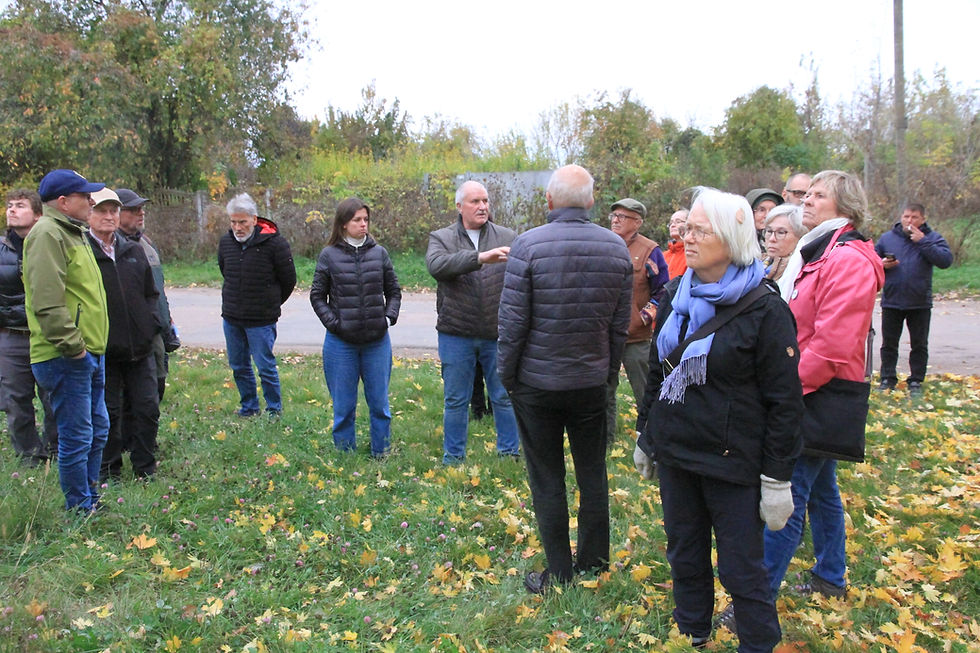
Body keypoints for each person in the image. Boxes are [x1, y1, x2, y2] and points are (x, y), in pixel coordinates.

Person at [633, 187, 803, 652]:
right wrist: (647, 435)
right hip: (678, 456)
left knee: (741, 568)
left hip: (734, 463)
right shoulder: (676, 295)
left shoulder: (765, 310)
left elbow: (786, 403)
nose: (687, 237)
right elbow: (658, 371)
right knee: (684, 553)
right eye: (686, 228)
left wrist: (777, 480)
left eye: (699, 230)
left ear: (731, 238)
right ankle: (693, 634)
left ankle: (757, 643)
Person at [497, 164, 632, 593]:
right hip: (590, 383)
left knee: (547, 477)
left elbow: (512, 323)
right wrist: (609, 376)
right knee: (593, 472)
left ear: (550, 201)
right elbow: (618, 326)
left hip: (537, 385)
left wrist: (508, 376)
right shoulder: (616, 248)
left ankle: (559, 572)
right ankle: (593, 561)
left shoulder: (527, 246)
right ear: (591, 201)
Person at [763, 170, 883, 604]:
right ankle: (830, 576)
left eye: (818, 195)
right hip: (810, 390)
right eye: (806, 194)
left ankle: (753, 602)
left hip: (817, 394)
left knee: (788, 494)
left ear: (845, 206)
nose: (806, 201)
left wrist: (782, 392)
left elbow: (831, 348)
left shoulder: (846, 259)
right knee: (823, 488)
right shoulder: (819, 251)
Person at [24, 169, 110, 512]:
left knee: (97, 429)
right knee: (77, 436)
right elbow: (47, 301)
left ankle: (89, 495)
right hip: (65, 355)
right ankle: (79, 508)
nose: (91, 201)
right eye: (84, 196)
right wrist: (74, 347)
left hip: (89, 353)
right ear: (63, 202)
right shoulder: (47, 234)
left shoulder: (73, 233)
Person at [426, 180, 520, 464]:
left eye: (485, 201)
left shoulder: (507, 236)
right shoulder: (441, 237)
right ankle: (453, 457)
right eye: (475, 202)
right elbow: (437, 266)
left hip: (497, 332)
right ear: (459, 206)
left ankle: (509, 454)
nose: (482, 206)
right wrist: (480, 258)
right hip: (457, 333)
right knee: (455, 400)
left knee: (503, 397)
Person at [310, 198, 401, 457]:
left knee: (380, 404)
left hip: (377, 343)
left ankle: (381, 452)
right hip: (341, 344)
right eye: (357, 220)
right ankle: (345, 456)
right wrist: (335, 324)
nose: (363, 225)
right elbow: (317, 296)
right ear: (343, 225)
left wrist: (387, 318)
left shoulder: (379, 253)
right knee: (343, 406)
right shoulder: (329, 255)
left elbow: (393, 291)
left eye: (366, 220)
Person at [86, 189, 161, 482]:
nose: (108, 217)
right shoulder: (83, 252)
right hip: (104, 348)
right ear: (89, 215)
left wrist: (151, 323)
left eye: (113, 211)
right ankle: (109, 470)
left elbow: (150, 293)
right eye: (102, 211)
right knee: (109, 413)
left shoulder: (133, 250)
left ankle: (145, 467)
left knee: (147, 408)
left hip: (141, 347)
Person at [218, 193, 296, 417]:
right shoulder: (226, 242)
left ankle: (274, 410)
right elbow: (225, 270)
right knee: (239, 366)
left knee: (265, 367)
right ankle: (249, 407)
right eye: (233, 222)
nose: (237, 227)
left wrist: (270, 302)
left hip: (261, 320)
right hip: (232, 318)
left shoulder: (275, 244)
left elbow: (288, 279)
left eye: (242, 222)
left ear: (254, 219)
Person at [1, 190, 58, 466]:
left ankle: (57, 450)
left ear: (37, 214)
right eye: (9, 206)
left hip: (46, 334)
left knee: (54, 397)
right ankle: (30, 456)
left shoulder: (50, 243)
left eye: (20, 206)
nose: (12, 210)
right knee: (15, 400)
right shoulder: (1, 250)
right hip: (12, 336)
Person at [605, 198, 668, 446]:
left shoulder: (650, 250)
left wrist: (643, 318)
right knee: (605, 392)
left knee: (645, 391)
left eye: (623, 216)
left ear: (638, 222)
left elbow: (663, 291)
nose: (616, 220)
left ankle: (652, 440)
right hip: (606, 335)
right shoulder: (604, 244)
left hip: (636, 338)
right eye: (614, 216)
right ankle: (605, 440)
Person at [874, 203, 952, 395]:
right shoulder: (887, 238)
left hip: (919, 301)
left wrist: (922, 241)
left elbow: (945, 261)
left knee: (919, 344)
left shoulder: (932, 238)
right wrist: (882, 264)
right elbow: (870, 261)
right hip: (892, 300)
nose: (909, 221)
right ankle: (887, 378)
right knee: (889, 344)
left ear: (923, 219)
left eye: (914, 217)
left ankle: (916, 380)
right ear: (901, 217)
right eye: (906, 217)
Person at [115, 188, 179, 401]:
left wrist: (167, 321)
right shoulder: (109, 247)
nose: (140, 213)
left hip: (156, 331)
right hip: (130, 337)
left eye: (141, 208)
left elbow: (158, 289)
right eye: (133, 209)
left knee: (156, 387)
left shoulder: (147, 244)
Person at [761, 204, 807, 283]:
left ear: (800, 236)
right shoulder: (755, 265)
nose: (772, 239)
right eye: (769, 231)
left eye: (781, 233)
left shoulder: (801, 273)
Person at [663, 210, 689, 279]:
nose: (673, 225)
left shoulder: (692, 254)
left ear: (689, 225)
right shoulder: (663, 256)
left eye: (678, 222)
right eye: (671, 223)